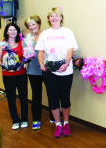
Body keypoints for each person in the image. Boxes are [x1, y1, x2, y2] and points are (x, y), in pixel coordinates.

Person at [35, 7, 78, 138]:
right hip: (49, 72)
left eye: (56, 15)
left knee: (65, 98)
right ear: (48, 19)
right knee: (52, 98)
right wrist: (41, 63)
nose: (54, 18)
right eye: (51, 16)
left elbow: (71, 49)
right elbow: (41, 51)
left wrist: (66, 63)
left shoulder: (68, 32)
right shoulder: (44, 34)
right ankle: (58, 125)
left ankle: (66, 123)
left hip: (66, 70)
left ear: (61, 18)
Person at [23, 15, 55, 130]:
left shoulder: (46, 35)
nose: (31, 27)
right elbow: (24, 56)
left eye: (33, 24)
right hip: (33, 71)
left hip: (47, 69)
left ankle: (53, 117)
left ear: (38, 24)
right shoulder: (27, 39)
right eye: (29, 25)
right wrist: (26, 57)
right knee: (36, 95)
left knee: (51, 93)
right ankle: (36, 119)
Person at [0, 22, 28, 130]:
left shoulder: (22, 43)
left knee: (23, 97)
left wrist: (24, 61)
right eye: (10, 30)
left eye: (15, 29)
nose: (13, 32)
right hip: (7, 75)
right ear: (6, 32)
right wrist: (3, 64)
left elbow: (26, 56)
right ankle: (15, 120)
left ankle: (24, 119)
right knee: (11, 98)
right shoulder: (1, 44)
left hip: (21, 74)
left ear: (17, 31)